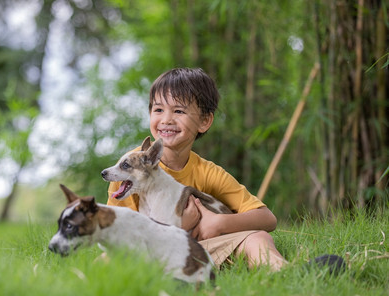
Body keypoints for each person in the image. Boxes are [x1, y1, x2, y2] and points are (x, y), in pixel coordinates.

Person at [107, 67, 343, 273]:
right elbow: (115, 229)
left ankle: (285, 272)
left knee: (258, 238)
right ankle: (172, 276)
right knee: (108, 258)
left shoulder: (208, 172)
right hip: (147, 248)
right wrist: (179, 225)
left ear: (204, 121)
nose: (166, 119)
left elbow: (266, 218)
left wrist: (216, 224)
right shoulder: (129, 168)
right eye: (158, 110)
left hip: (199, 248)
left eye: (178, 111)